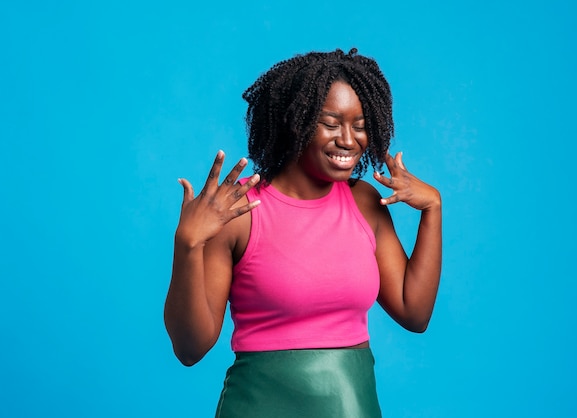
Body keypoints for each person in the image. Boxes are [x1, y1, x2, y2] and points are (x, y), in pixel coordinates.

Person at [164, 48, 442, 417]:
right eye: (331, 123)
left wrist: (433, 210)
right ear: (296, 122)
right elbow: (190, 349)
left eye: (360, 125)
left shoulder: (363, 202)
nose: (349, 140)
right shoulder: (239, 210)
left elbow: (414, 312)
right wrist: (187, 245)